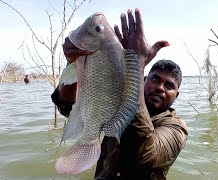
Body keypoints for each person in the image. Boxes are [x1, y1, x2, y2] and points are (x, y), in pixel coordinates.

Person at [51, 8, 187, 179]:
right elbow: (66, 107)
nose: (160, 87)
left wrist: (135, 64)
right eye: (155, 80)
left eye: (169, 85)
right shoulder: (119, 97)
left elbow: (146, 155)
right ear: (144, 80)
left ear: (177, 95)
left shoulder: (176, 128)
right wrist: (75, 62)